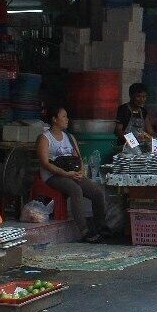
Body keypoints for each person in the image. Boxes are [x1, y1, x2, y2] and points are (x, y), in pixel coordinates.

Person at [37, 104, 109, 243]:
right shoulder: (45, 138)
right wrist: (66, 174)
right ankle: (84, 230)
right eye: (63, 116)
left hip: (73, 174)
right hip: (53, 176)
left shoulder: (69, 137)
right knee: (75, 190)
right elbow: (46, 163)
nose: (67, 119)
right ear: (54, 119)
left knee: (97, 192)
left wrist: (81, 172)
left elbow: (79, 158)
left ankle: (100, 226)